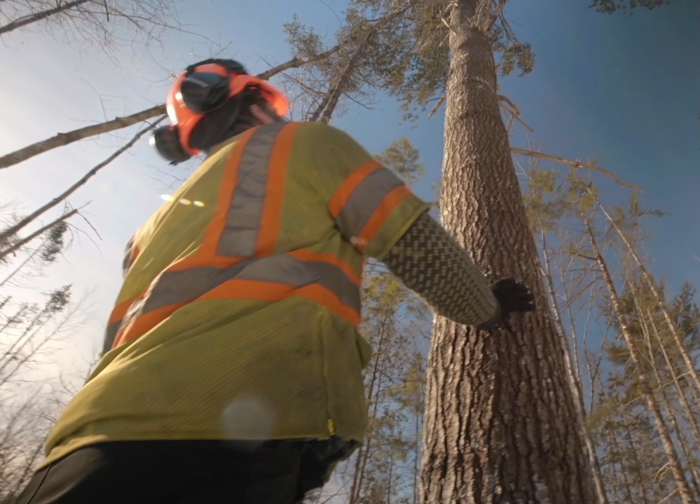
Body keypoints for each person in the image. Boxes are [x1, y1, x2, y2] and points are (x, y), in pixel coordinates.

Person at [13, 58, 535, 504]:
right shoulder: (300, 144)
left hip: (80, 446)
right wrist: (485, 308)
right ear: (256, 102)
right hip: (226, 438)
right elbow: (412, 242)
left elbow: (115, 341)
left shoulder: (149, 229)